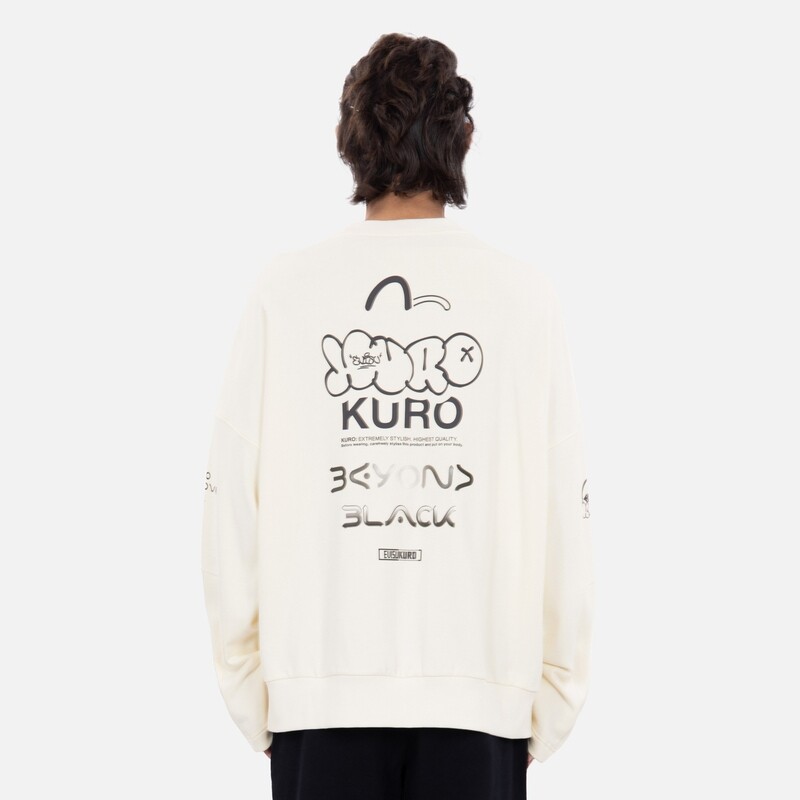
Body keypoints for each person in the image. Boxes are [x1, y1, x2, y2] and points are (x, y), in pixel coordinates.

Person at [201, 32, 594, 799]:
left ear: (349, 140)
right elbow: (565, 513)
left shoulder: (286, 292)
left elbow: (229, 511)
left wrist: (254, 688)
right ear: (465, 137)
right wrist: (552, 695)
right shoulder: (522, 298)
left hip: (319, 698)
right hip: (482, 701)